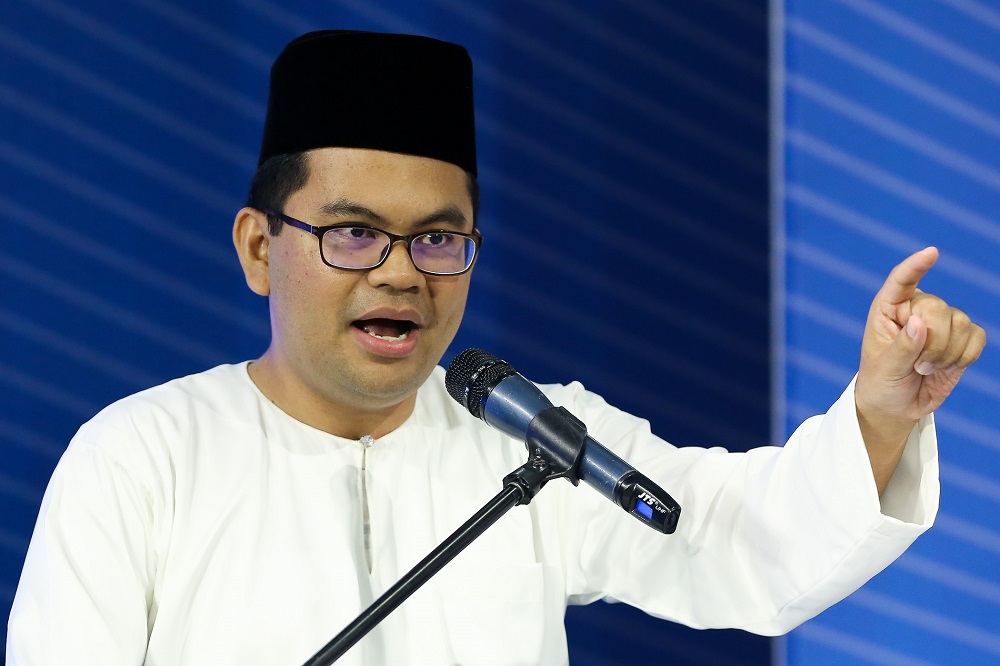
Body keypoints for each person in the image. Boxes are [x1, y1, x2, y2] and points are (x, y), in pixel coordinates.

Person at [6, 29, 986, 666]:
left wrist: (878, 412)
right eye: (353, 233)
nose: (400, 274)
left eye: (437, 238)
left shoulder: (535, 438)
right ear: (262, 248)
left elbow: (736, 542)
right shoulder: (142, 457)